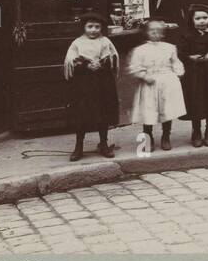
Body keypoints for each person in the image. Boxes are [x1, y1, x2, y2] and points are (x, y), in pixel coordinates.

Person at [62, 11, 119, 162]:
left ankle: (103, 143)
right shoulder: (77, 43)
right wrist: (86, 64)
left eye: (97, 27)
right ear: (84, 28)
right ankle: (78, 146)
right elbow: (70, 62)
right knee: (82, 114)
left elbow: (113, 58)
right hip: (84, 85)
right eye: (90, 26)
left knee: (103, 113)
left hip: (102, 83)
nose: (93, 30)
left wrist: (102, 63)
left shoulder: (105, 42)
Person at [126, 18, 186, 151]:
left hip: (166, 81)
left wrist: (177, 73)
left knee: (167, 110)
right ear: (146, 33)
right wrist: (143, 76)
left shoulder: (169, 47)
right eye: (152, 31)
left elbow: (176, 62)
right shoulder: (140, 50)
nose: (156, 34)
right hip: (149, 83)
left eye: (159, 31)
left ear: (163, 34)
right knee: (148, 111)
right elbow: (134, 66)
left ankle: (166, 136)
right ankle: (148, 138)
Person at [178, 3, 208, 148]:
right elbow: (180, 52)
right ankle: (196, 130)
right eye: (198, 18)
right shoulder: (186, 35)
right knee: (196, 100)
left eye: (205, 17)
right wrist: (190, 57)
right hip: (194, 73)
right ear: (192, 20)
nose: (201, 21)